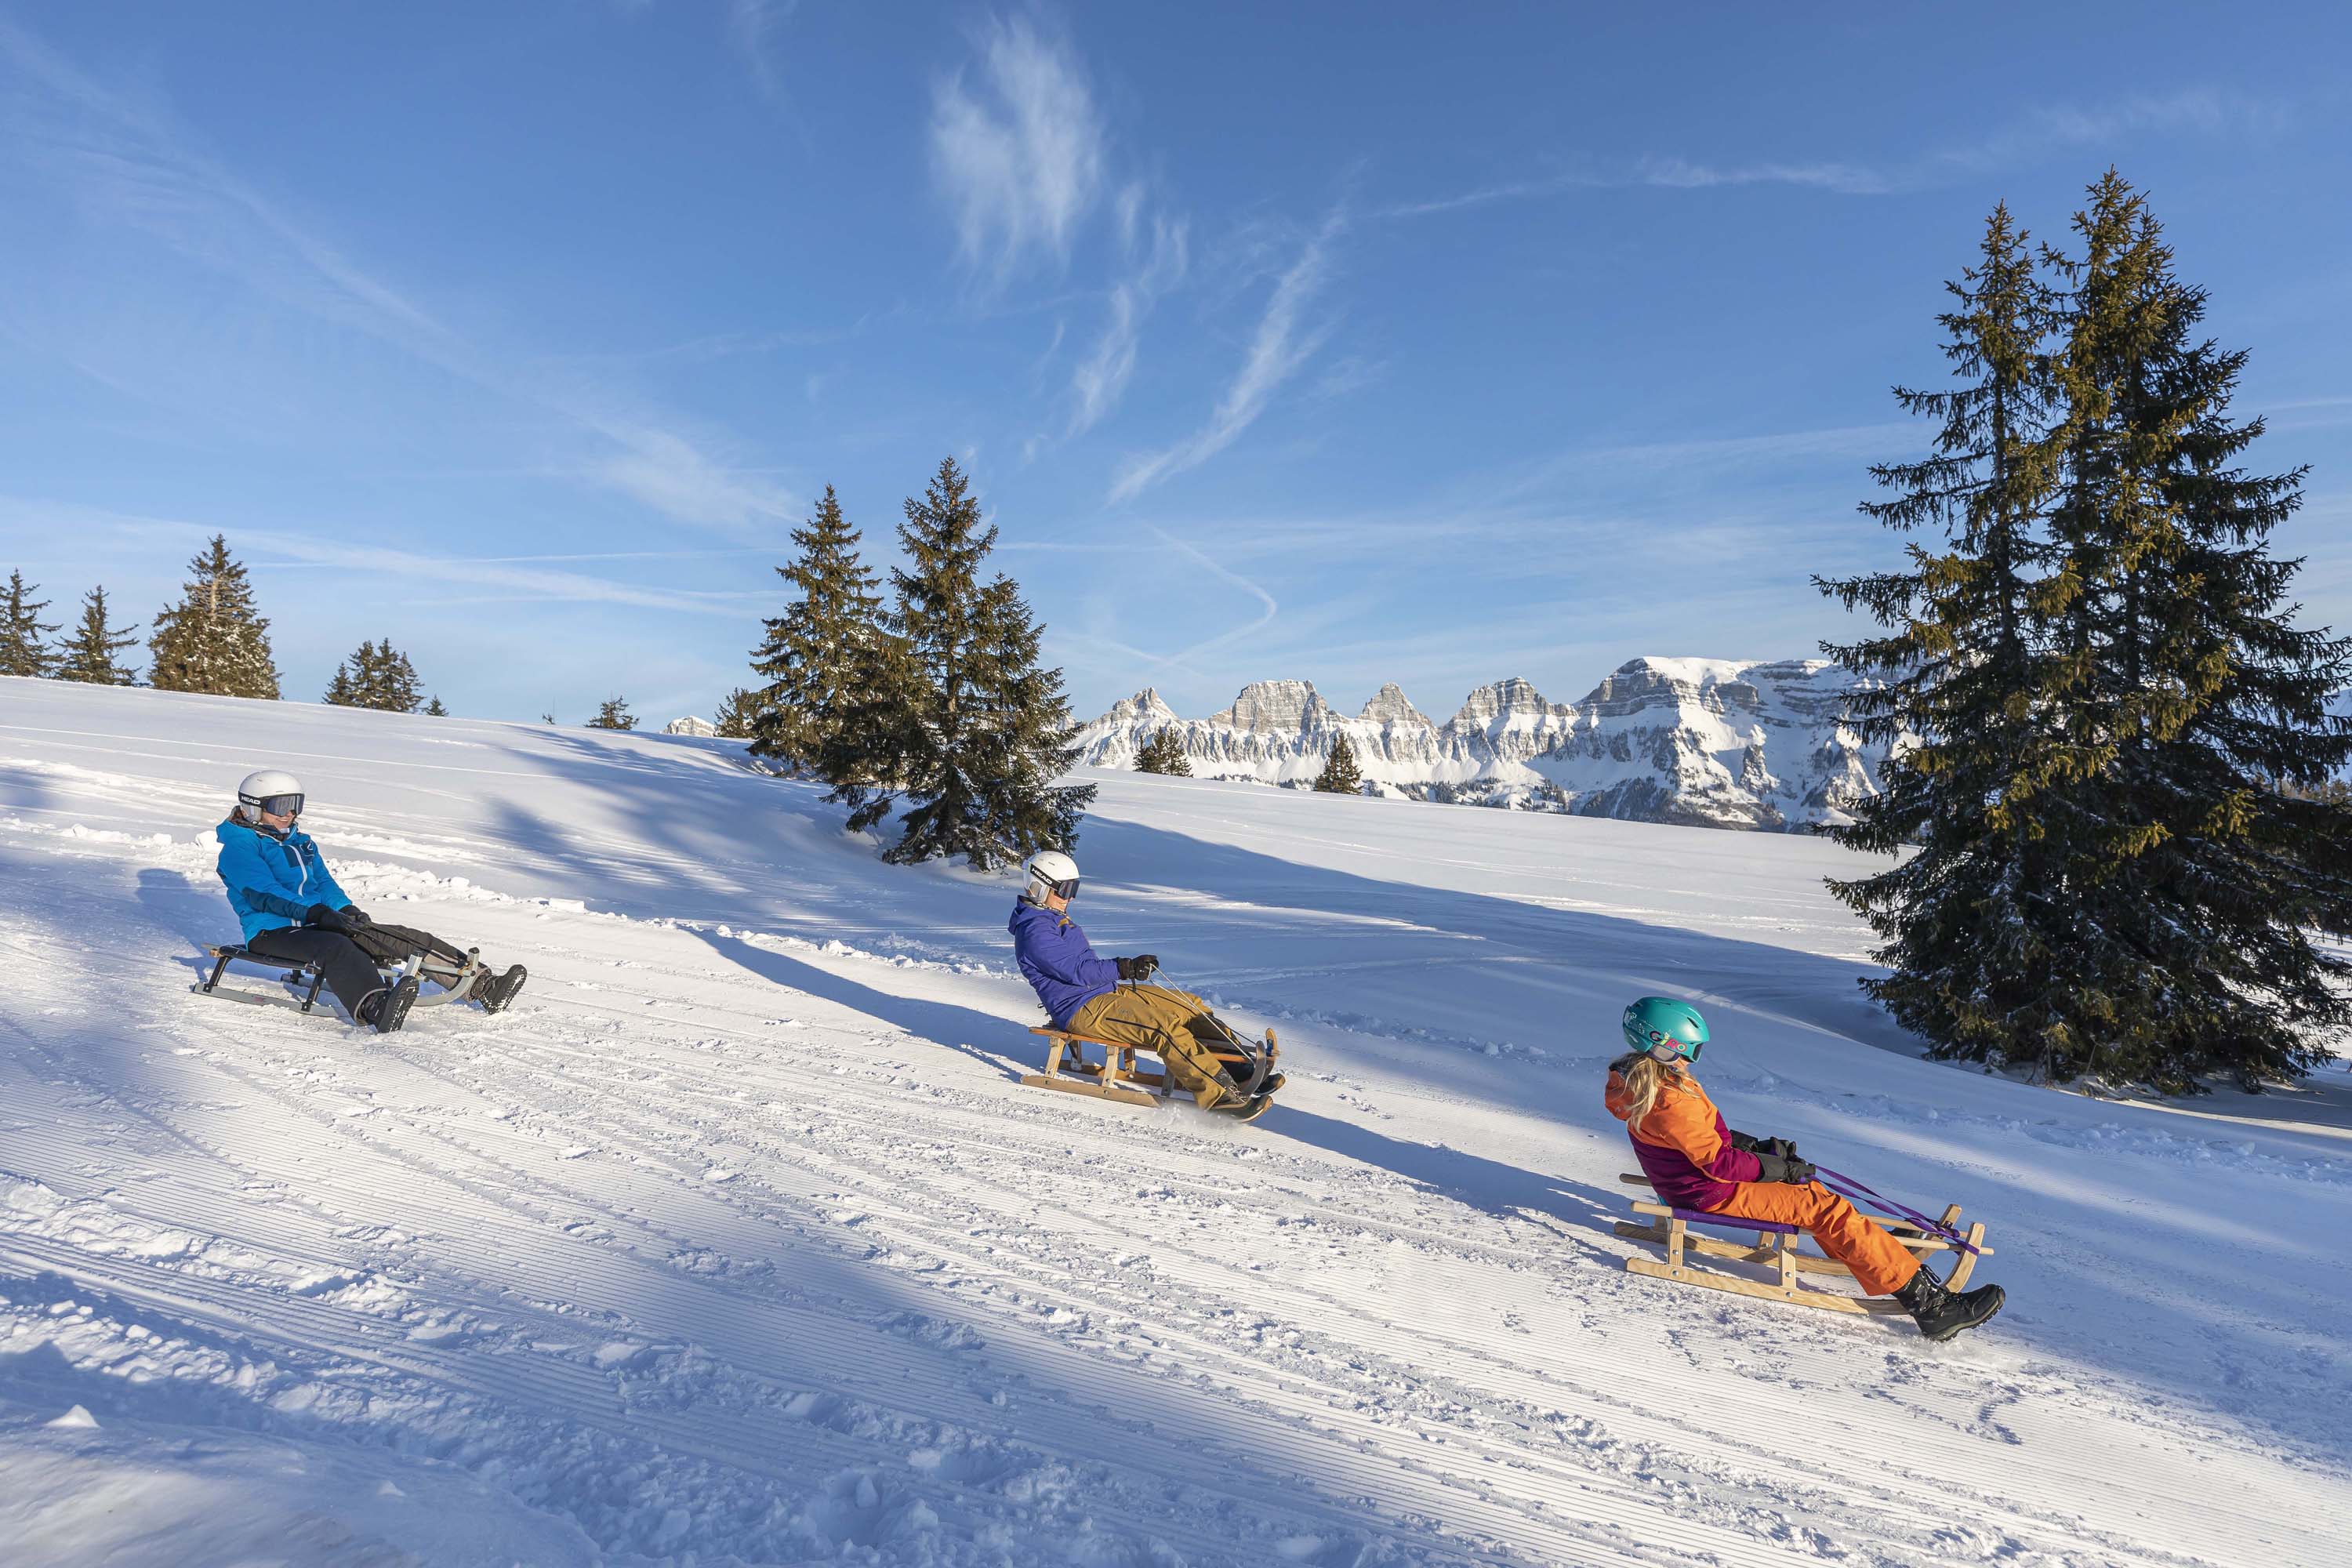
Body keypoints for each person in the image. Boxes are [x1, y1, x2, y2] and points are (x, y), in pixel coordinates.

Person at [1604, 996, 2004, 1341]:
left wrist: (1755, 1147)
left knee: (1818, 1200)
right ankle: (1932, 1308)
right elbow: (1717, 1161)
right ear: (1661, 1046)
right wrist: (1775, 1169)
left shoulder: (1643, 1082)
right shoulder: (1670, 1097)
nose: (1692, 1060)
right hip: (1712, 1189)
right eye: (1686, 1051)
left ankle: (1874, 1253)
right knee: (1822, 1207)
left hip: (1697, 1181)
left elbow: (1696, 1139)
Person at [213, 768, 526, 1033]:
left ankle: (483, 987)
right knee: (337, 948)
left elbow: (324, 883)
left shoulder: (301, 843)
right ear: (253, 807)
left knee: (396, 936)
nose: (290, 814)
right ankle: (376, 1006)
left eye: (295, 805)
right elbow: (264, 893)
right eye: (281, 806)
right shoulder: (239, 848)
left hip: (316, 920)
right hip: (273, 932)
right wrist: (317, 913)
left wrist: (344, 909)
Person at [1008, 851, 1281, 1116]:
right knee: (1162, 1027)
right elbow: (1077, 971)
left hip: (1104, 992)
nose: (1069, 898)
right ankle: (1219, 1095)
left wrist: (1128, 969)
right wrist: (1123, 967)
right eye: (1063, 890)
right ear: (1039, 886)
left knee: (1187, 1005)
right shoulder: (1035, 931)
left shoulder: (1051, 918)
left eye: (1073, 890)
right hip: (1081, 1008)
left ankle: (1236, 1068)